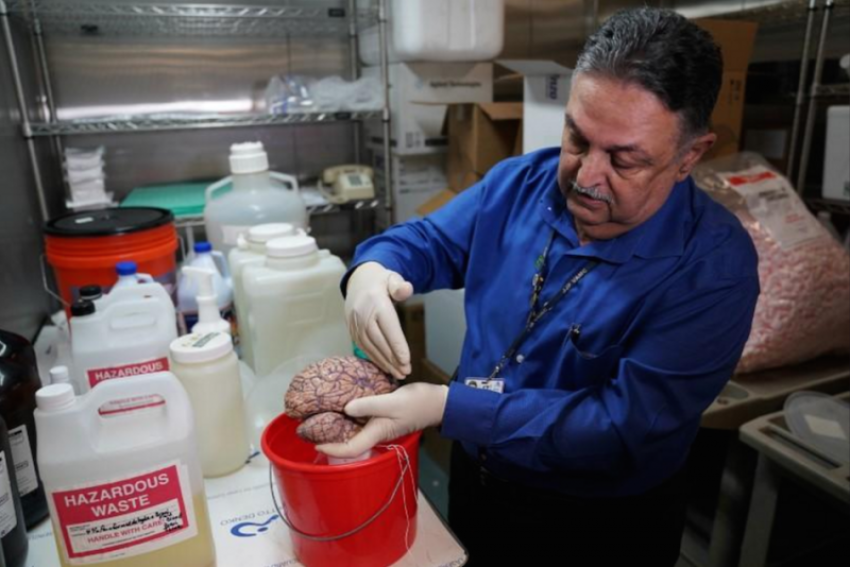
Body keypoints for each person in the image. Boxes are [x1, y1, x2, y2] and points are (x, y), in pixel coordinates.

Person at [318, 8, 760, 566]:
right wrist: (371, 272)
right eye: (577, 137)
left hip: (596, 523)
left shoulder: (713, 269)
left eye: (625, 160)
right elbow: (428, 242)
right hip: (479, 482)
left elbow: (623, 426)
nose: (585, 176)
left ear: (688, 156)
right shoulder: (520, 183)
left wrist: (447, 406)